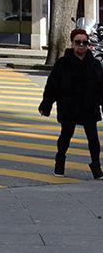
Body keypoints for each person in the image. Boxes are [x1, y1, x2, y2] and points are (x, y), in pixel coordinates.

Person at [39, 28, 103, 178]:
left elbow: (101, 87)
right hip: (69, 106)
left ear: (88, 44)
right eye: (78, 42)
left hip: (89, 106)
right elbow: (52, 86)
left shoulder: (94, 64)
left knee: (93, 139)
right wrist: (46, 105)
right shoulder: (63, 63)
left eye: (84, 42)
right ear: (72, 43)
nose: (81, 45)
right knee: (65, 136)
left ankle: (96, 168)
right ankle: (59, 163)